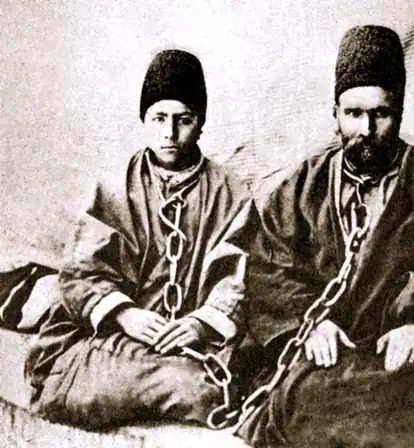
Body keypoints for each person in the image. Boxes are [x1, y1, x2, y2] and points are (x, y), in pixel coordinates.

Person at [237, 26, 414, 447]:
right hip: (326, 354)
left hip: (404, 358)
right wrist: (310, 323)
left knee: (404, 406)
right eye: (354, 114)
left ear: (400, 112)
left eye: (381, 113)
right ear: (335, 113)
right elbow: (268, 267)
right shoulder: (302, 187)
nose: (367, 128)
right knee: (308, 397)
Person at [25, 49, 253, 429]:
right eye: (159, 118)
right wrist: (126, 315)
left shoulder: (230, 192)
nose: (170, 133)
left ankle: (152, 381)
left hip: (192, 343)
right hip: (112, 333)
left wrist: (199, 324)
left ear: (200, 123)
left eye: (183, 120)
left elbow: (238, 278)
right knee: (66, 378)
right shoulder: (115, 187)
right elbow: (81, 272)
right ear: (144, 120)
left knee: (210, 389)